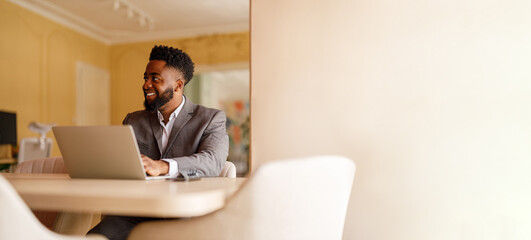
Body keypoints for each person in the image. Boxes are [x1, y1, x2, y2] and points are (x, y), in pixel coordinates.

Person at [87, 45, 229, 240]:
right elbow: (122, 163)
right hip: (137, 212)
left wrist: (162, 166)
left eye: (155, 78)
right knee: (95, 237)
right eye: (145, 78)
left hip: (185, 214)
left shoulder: (210, 119)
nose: (146, 84)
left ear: (178, 85)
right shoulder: (134, 120)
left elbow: (212, 161)